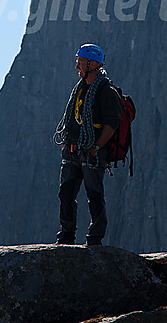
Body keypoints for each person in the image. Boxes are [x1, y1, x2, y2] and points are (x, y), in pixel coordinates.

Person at [53, 43, 122, 245]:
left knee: (94, 195)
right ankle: (66, 235)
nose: (77, 67)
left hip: (92, 153)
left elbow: (111, 124)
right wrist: (67, 142)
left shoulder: (106, 91)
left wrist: (96, 146)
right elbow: (71, 118)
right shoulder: (80, 90)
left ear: (92, 64)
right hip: (73, 151)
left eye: (80, 62)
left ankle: (95, 238)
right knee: (65, 193)